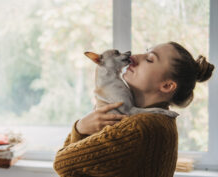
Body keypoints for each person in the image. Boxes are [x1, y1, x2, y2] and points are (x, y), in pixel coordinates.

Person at [53, 41, 215, 177]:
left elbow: (62, 164)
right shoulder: (159, 121)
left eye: (150, 59)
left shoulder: (139, 127)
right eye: (145, 52)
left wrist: (80, 128)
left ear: (167, 85)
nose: (134, 57)